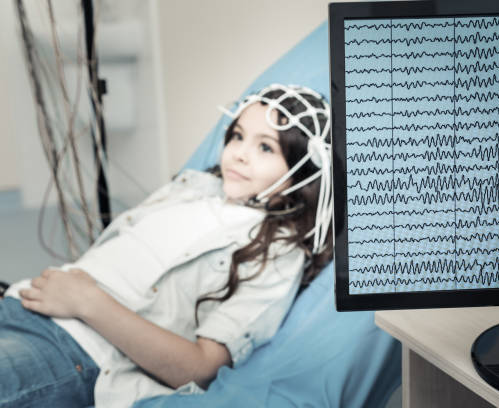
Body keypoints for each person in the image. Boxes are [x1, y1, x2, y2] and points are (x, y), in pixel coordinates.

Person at [0, 84, 333, 408]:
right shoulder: (195, 187)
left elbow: (202, 368)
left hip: (75, 350)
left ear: (303, 171)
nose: (240, 154)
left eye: (266, 148)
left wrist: (88, 302)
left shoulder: (276, 252)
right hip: (24, 303)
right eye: (237, 136)